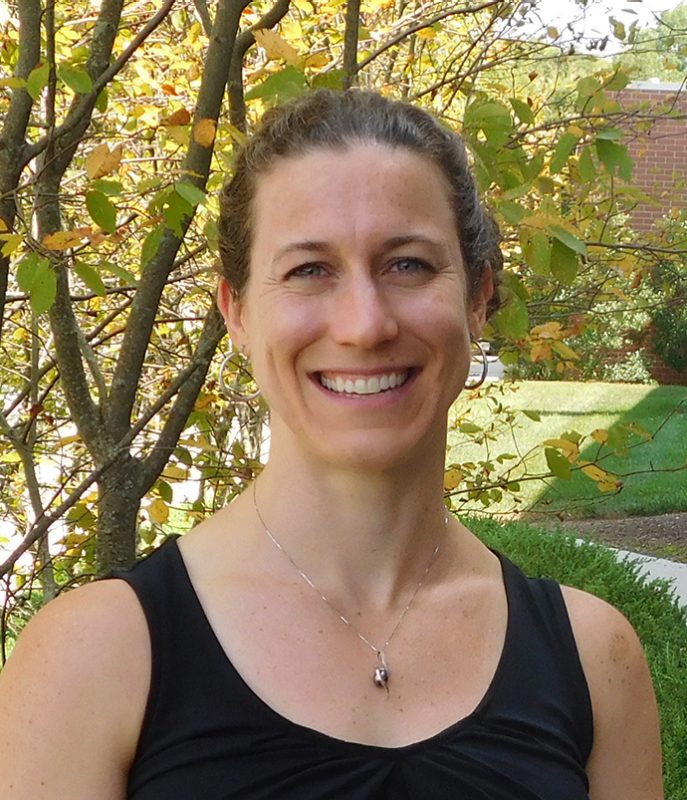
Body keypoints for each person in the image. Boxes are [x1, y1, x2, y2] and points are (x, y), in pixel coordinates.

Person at [0, 90, 663, 799]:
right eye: (309, 270)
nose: (363, 324)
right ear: (238, 313)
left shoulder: (594, 660)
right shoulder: (93, 658)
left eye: (406, 263)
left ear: (476, 297)